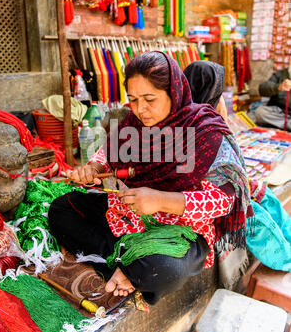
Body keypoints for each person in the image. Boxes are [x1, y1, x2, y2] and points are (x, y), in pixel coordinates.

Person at [48, 52, 252, 305]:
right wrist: (92, 168)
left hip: (180, 230)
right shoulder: (133, 124)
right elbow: (108, 155)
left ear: (174, 92)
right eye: (132, 99)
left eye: (149, 99)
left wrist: (161, 200)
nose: (139, 109)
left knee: (165, 268)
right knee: (61, 209)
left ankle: (130, 268)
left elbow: (223, 200)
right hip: (130, 215)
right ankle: (123, 269)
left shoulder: (203, 130)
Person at [184, 60, 291, 273]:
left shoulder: (197, 120)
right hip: (208, 201)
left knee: (263, 194)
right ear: (211, 97)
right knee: (256, 213)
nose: (223, 101)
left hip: (217, 191)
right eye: (220, 95)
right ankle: (285, 258)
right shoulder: (205, 129)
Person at [255, 63, 291, 131]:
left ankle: (284, 125)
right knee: (260, 112)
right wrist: (278, 87)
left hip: (282, 119)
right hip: (279, 113)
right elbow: (262, 89)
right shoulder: (279, 75)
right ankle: (287, 125)